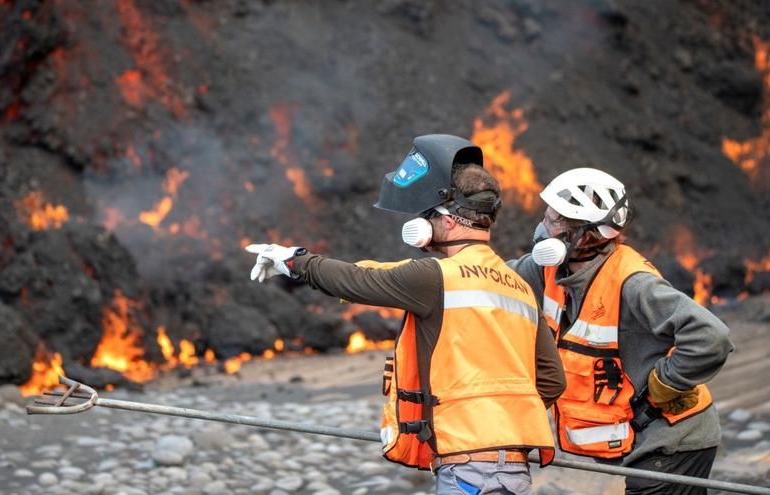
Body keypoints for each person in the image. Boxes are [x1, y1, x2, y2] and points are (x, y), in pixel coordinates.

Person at [246, 134, 566, 495]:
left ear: (446, 221)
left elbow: (358, 280)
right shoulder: (518, 287)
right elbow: (552, 381)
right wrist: (503, 419)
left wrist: (294, 261)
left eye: (427, 214)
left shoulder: (435, 276)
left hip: (467, 464)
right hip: (515, 466)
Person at [509, 167, 735, 495]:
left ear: (588, 235)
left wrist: (665, 383)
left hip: (674, 441)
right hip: (641, 442)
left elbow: (711, 336)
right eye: (547, 216)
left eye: (555, 221)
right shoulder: (549, 270)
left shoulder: (633, 284)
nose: (542, 229)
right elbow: (494, 282)